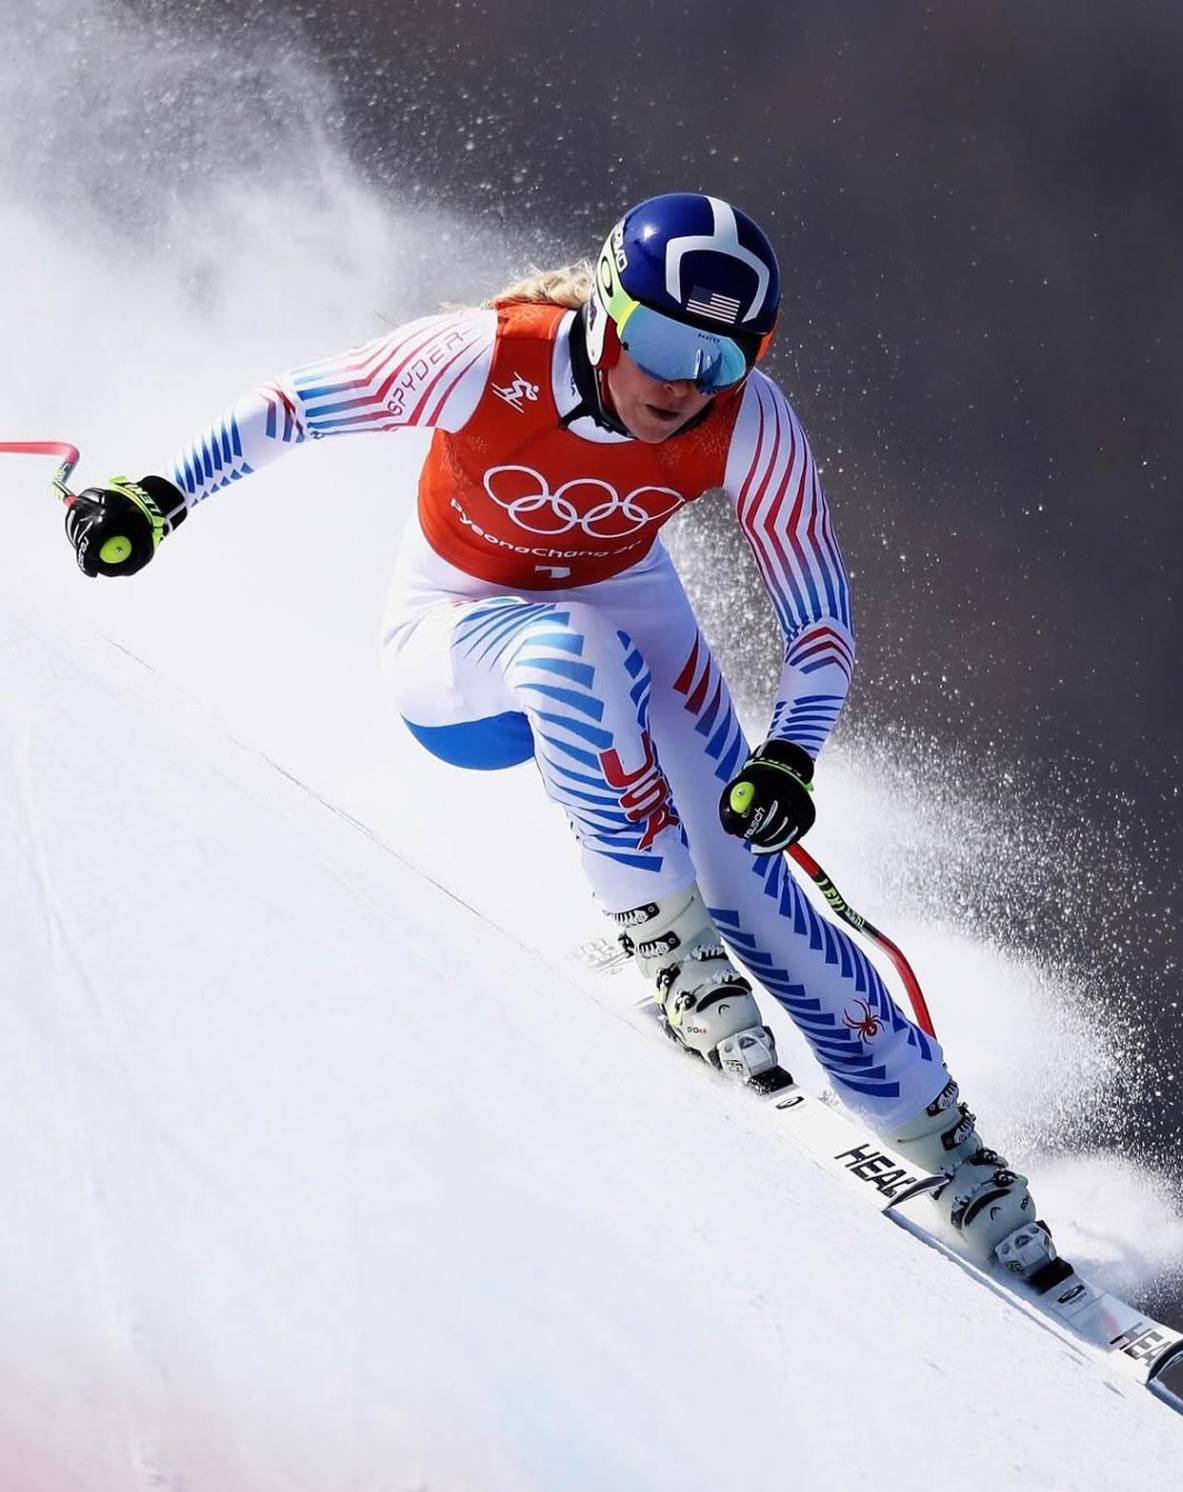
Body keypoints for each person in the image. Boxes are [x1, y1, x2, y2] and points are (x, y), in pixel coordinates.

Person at [65, 191, 1055, 1279]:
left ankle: (951, 1150)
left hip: (625, 603)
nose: (685, 385)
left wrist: (790, 754)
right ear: (607, 313)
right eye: (669, 343)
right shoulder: (482, 356)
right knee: (571, 651)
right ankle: (664, 941)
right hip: (454, 634)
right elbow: (294, 408)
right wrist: (158, 497)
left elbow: (816, 614)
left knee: (755, 887)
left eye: (723, 359)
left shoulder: (750, 420)